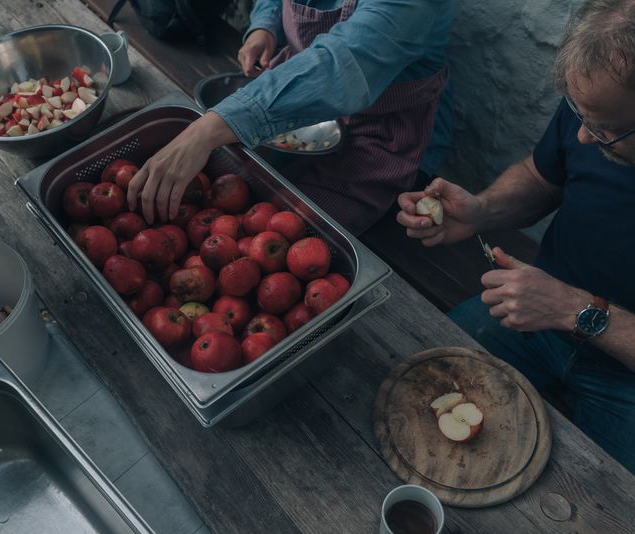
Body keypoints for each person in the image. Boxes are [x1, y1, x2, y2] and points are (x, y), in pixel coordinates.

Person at [397, 0, 635, 472]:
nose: (586, 137)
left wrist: (575, 311)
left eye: (606, 129)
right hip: (535, 320)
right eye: (580, 115)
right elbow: (543, 176)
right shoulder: (597, 99)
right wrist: (481, 211)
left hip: (624, 376)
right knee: (414, 397)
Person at [126, 0, 454, 234]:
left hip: (376, 142)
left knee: (283, 234)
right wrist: (264, 25)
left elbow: (341, 65)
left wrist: (207, 129)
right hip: (285, 101)